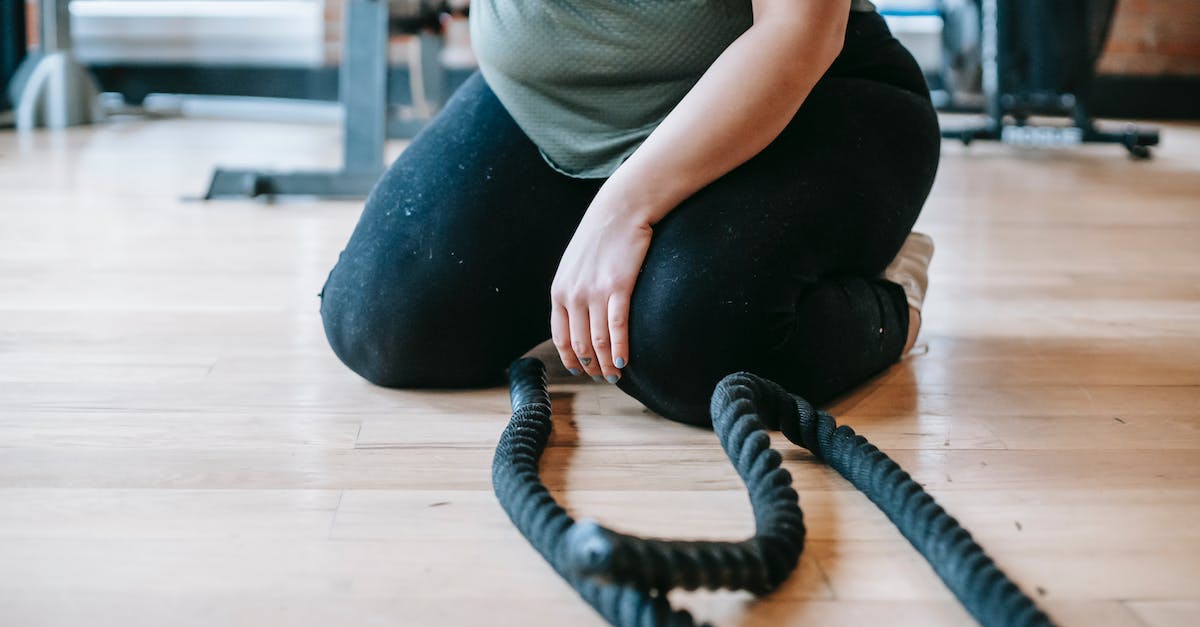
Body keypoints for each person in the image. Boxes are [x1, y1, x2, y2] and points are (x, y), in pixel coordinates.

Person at [318, 0, 940, 427]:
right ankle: (607, 274)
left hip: (800, 100)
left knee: (687, 346)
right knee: (382, 321)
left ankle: (888, 300)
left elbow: (800, 31)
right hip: (550, 110)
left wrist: (624, 210)